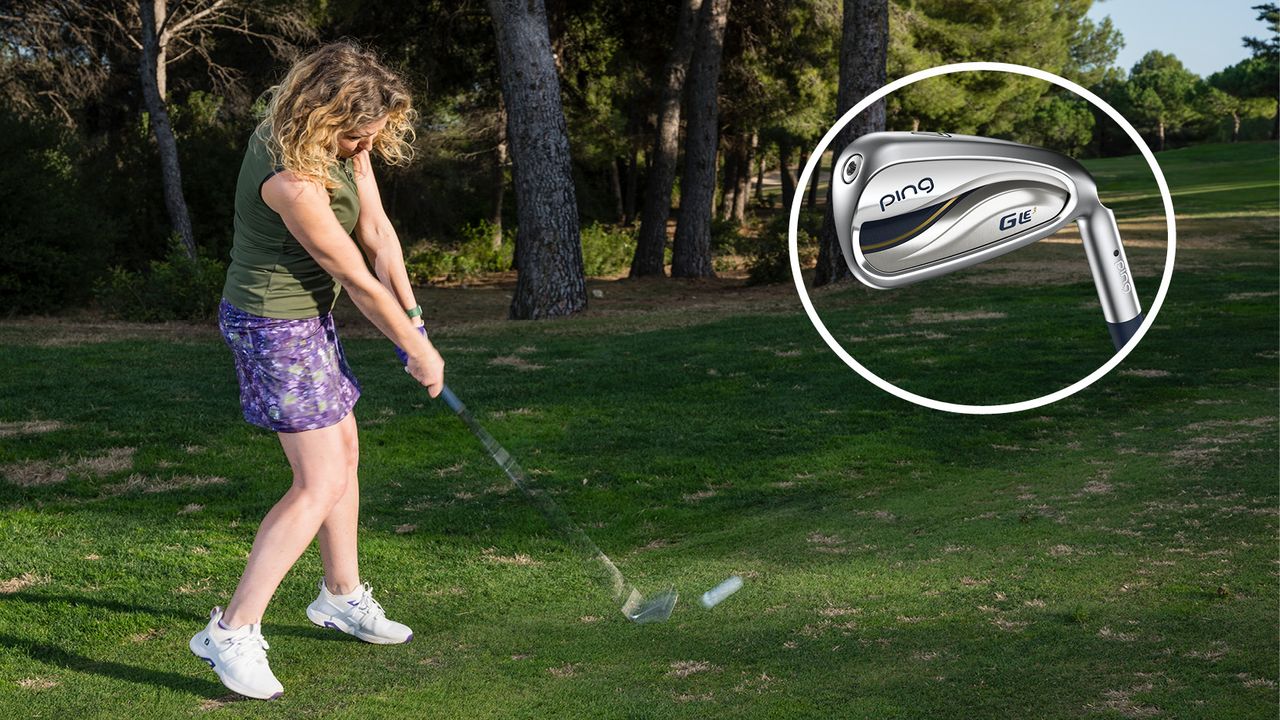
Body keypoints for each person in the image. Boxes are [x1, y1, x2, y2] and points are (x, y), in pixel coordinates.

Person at [188, 42, 445, 701]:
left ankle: (339, 595)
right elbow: (355, 278)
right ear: (326, 113)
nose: (371, 141)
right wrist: (415, 350)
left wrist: (413, 319)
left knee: (346, 456)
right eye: (362, 129)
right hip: (272, 327)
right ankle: (230, 631)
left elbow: (379, 234)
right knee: (318, 481)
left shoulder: (340, 143)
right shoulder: (290, 178)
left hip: (306, 321)